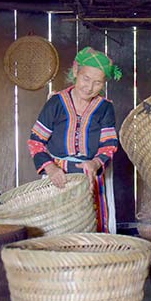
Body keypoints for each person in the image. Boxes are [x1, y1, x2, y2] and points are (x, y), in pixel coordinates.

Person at [27, 47, 121, 233]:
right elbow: (36, 142)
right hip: (57, 177)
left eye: (97, 83)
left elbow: (109, 145)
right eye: (86, 79)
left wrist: (95, 163)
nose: (89, 87)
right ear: (76, 71)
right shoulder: (56, 103)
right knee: (58, 227)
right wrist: (51, 169)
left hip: (90, 176)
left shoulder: (105, 108)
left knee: (92, 227)